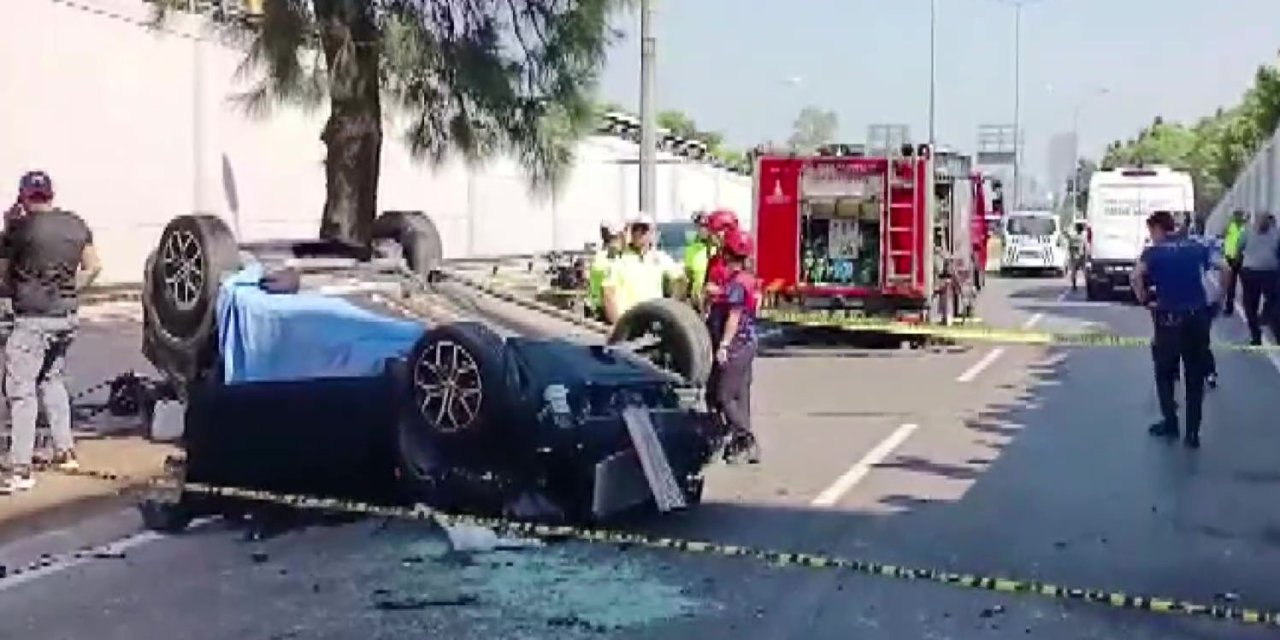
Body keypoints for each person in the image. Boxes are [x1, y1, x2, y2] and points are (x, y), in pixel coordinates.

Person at [0, 171, 102, 494]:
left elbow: (2, 276)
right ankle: (65, 451)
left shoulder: (22, 230)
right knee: (52, 380)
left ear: (25, 197)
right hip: (65, 317)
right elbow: (94, 265)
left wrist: (7, 230)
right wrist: (70, 290)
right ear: (51, 195)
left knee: (21, 392)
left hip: (32, 321)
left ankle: (20, 468)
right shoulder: (75, 224)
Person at [1131, 210, 1223, 449]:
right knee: (1194, 376)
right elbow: (1225, 268)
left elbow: (1136, 276)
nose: (1151, 237)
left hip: (1168, 320)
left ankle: (1170, 422)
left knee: (1164, 372)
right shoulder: (1196, 247)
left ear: (1158, 229)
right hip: (1196, 318)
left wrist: (1144, 299)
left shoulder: (1153, 252)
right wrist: (1220, 299)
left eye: (1151, 232)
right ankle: (1192, 433)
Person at [706, 226, 759, 464]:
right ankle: (742, 445)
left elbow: (734, 316)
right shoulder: (745, 279)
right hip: (747, 343)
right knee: (741, 395)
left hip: (737, 345)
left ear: (729, 253)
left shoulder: (738, 283)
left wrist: (724, 345)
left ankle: (746, 438)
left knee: (724, 396)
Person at [601, 216, 684, 324]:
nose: (639, 233)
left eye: (644, 229)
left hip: (653, 321)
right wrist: (618, 325)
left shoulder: (660, 257)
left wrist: (671, 305)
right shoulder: (618, 259)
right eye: (636, 229)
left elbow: (681, 279)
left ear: (651, 233)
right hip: (629, 322)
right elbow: (608, 293)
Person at [1236, 211, 1280, 345]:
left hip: (1250, 272)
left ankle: (1256, 336)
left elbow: (1239, 248)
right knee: (1273, 302)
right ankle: (1276, 333)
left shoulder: (1247, 231)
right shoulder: (1276, 233)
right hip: (1270, 272)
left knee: (1250, 305)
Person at [586, 220, 625, 321]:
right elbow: (607, 293)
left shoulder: (600, 256)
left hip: (596, 307)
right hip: (605, 311)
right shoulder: (609, 258)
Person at [702, 209, 740, 306]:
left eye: (714, 232)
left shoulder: (739, 259)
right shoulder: (714, 259)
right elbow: (707, 286)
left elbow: (746, 289)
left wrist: (720, 291)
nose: (711, 236)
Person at [683, 212, 713, 311]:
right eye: (700, 226)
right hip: (696, 303)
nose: (703, 229)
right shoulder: (691, 250)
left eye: (705, 225)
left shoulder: (718, 248)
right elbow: (688, 277)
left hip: (713, 302)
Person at [1221, 209, 1248, 315]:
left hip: (1241, 258)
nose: (1238, 217)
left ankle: (1247, 308)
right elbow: (1223, 235)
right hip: (1231, 258)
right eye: (1236, 215)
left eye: (1239, 215)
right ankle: (1229, 307)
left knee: (1245, 286)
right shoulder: (1230, 226)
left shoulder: (1245, 227)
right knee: (1231, 285)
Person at [1066, 219, 1087, 291]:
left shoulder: (1074, 237)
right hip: (1082, 256)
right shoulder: (1084, 237)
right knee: (1085, 271)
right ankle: (1087, 284)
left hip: (1075, 257)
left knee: (1074, 272)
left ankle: (1074, 285)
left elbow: (1070, 245)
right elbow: (1085, 246)